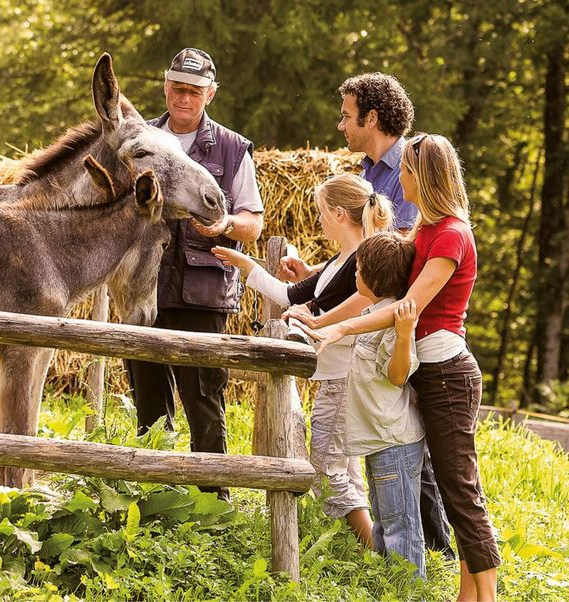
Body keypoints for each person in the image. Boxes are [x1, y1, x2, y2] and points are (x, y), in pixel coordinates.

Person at [306, 134, 501, 601]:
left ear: (424, 176)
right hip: (427, 374)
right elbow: (379, 291)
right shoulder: (423, 232)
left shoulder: (452, 235)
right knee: (456, 493)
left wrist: (340, 331)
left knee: (462, 492)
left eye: (407, 170)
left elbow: (407, 308)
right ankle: (465, 596)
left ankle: (485, 597)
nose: (400, 177)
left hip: (448, 376)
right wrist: (323, 315)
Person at [282, 71, 455, 563]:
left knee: (410, 445)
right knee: (395, 443)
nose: (341, 125)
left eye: (346, 115)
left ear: (372, 117)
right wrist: (316, 272)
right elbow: (368, 256)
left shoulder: (408, 176)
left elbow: (390, 271)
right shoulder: (368, 172)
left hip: (401, 329)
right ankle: (408, 548)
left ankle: (430, 550)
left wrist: (325, 319)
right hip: (379, 328)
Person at [212, 173, 392, 546]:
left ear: (340, 214)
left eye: (323, 213)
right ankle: (369, 547)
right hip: (336, 374)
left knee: (326, 467)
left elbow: (331, 307)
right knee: (343, 467)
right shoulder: (340, 260)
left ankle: (375, 550)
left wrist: (245, 266)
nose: (320, 221)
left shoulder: (362, 260)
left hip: (346, 374)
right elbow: (293, 294)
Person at [124, 48, 264, 501]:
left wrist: (224, 225)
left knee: (204, 402)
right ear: (166, 88)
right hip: (145, 288)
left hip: (204, 293)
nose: (185, 98)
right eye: (178, 88)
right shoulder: (140, 139)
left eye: (195, 91)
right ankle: (156, 500)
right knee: (149, 402)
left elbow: (253, 223)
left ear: (211, 94)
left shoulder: (231, 147)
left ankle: (212, 504)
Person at [332, 231, 426, 577]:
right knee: (386, 523)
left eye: (357, 268)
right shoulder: (375, 313)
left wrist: (403, 335)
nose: (354, 274)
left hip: (394, 440)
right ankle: (390, 584)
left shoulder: (394, 319)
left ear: (373, 276)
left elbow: (398, 375)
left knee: (400, 524)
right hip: (378, 438)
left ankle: (409, 589)